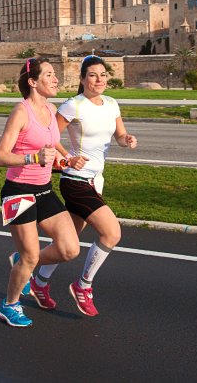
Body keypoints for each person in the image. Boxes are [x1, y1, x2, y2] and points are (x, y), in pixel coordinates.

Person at [31, 55, 137, 317]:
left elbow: (120, 135)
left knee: (69, 241)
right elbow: (50, 136)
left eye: (103, 74)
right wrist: (67, 158)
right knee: (112, 233)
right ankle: (83, 286)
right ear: (82, 79)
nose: (99, 79)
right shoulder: (73, 106)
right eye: (92, 75)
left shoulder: (112, 104)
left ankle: (37, 280)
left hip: (96, 181)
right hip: (75, 181)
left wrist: (127, 140)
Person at [0, 57, 86, 327]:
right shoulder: (21, 112)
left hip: (44, 189)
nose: (56, 79)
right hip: (18, 192)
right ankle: (9, 305)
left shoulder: (50, 108)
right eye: (49, 75)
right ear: (33, 82)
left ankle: (23, 261)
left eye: (55, 74)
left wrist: (67, 160)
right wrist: (32, 159)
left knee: (69, 249)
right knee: (32, 255)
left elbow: (52, 146)